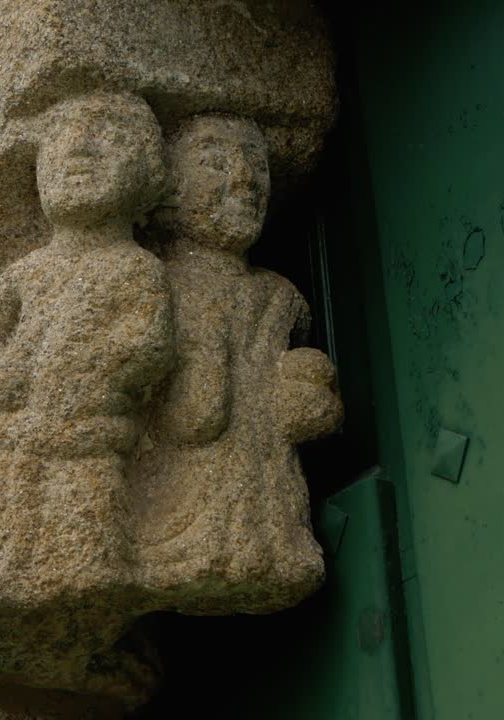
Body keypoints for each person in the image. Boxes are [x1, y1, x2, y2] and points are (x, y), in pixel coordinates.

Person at [0, 91, 174, 655]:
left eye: (109, 139)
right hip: (18, 437)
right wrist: (5, 371)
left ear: (144, 176)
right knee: (5, 526)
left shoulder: (136, 267)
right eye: (60, 141)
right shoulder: (27, 272)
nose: (79, 150)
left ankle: (83, 592)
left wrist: (103, 364)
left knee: (84, 532)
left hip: (90, 439)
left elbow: (151, 341)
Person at [135, 113, 344, 614]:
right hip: (182, 516)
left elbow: (305, 407)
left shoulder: (281, 297)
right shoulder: (156, 285)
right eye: (213, 162)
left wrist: (308, 401)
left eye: (258, 165)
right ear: (167, 190)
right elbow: (188, 417)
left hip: (271, 512)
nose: (246, 180)